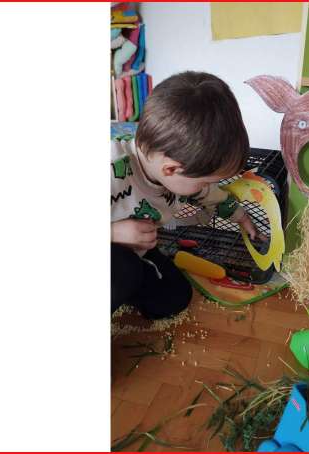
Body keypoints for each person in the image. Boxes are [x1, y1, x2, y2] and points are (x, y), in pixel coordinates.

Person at [111, 71, 259, 319]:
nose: (206, 187)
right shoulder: (111, 169)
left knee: (174, 297)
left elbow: (211, 195)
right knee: (124, 273)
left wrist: (242, 217)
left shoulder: (175, 171)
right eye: (204, 182)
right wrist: (113, 233)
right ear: (171, 169)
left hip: (136, 250)